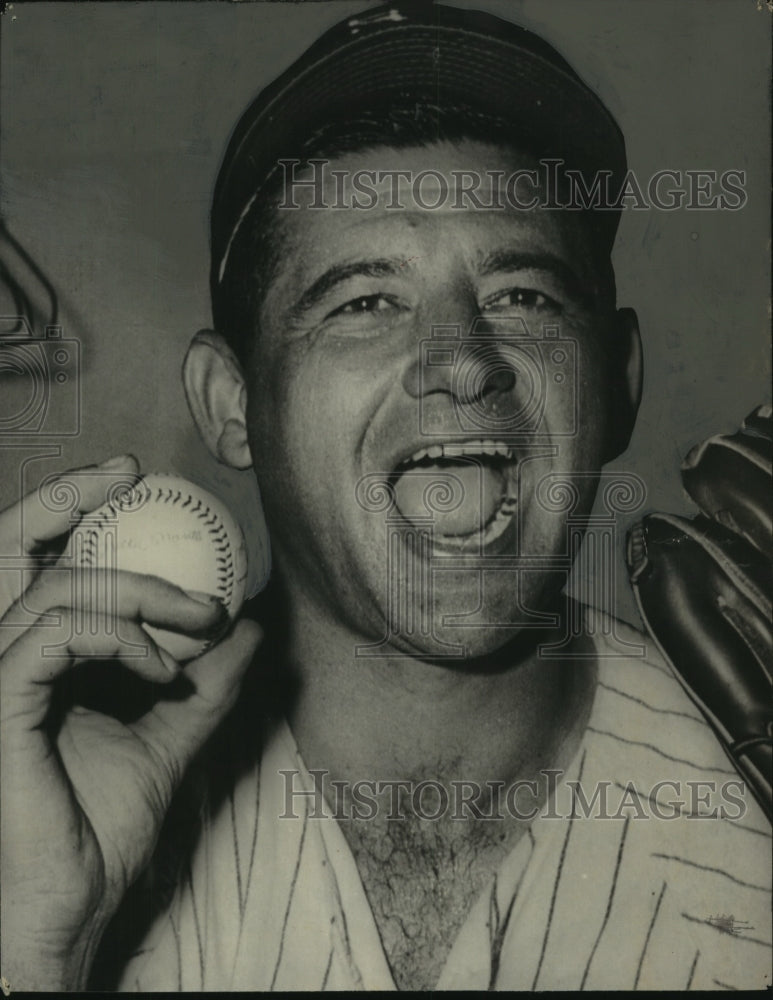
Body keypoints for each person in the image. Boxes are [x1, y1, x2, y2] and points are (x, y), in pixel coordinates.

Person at [0, 2, 770, 992]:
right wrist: (29, 946)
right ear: (231, 402)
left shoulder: (751, 769)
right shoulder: (55, 806)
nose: (458, 361)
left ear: (616, 380)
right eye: (363, 302)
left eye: (520, 296)